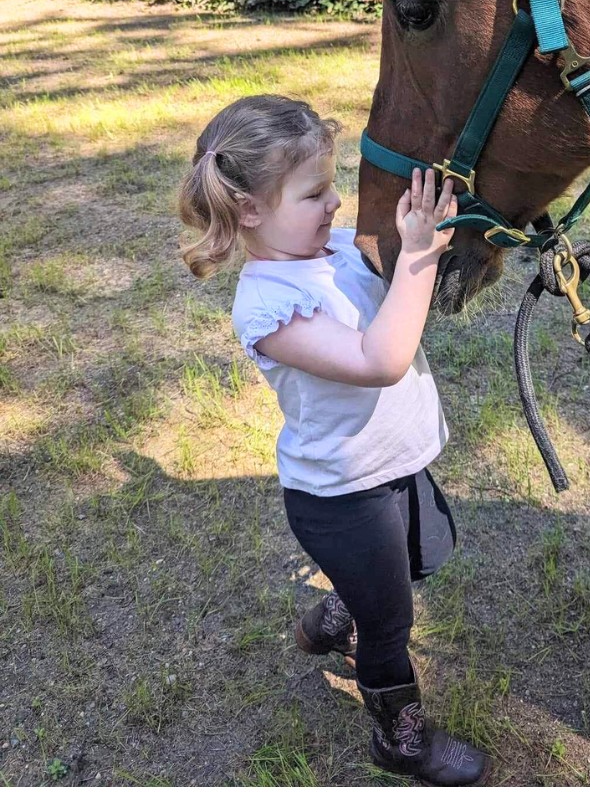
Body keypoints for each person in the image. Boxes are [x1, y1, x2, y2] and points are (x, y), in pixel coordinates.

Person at [177, 94, 489, 786]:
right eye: (315, 192)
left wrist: (443, 232)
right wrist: (417, 260)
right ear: (251, 210)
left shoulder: (339, 250)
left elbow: (404, 296)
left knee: (429, 554)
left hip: (397, 465)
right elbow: (381, 361)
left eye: (331, 186)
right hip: (340, 496)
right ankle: (398, 739)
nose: (336, 204)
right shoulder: (267, 306)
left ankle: (333, 614)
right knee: (391, 628)